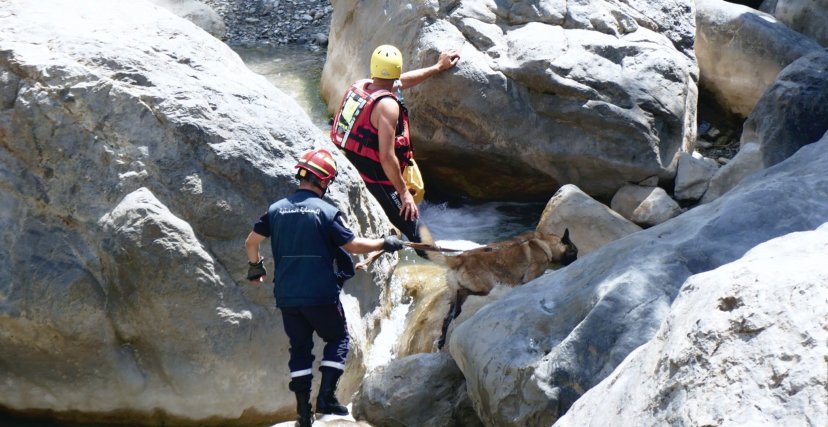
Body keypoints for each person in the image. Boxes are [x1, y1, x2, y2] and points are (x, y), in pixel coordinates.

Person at [244, 148, 405, 427]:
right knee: (338, 339)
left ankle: (303, 413)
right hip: (320, 294)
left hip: (288, 297)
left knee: (300, 349)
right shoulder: (326, 212)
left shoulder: (275, 210)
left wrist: (256, 267)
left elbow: (251, 243)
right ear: (323, 181)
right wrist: (384, 243)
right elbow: (353, 245)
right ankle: (326, 398)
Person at [330, 44, 460, 251]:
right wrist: (403, 193)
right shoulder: (388, 106)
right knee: (414, 225)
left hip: (347, 159)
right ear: (397, 70)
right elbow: (387, 157)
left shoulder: (361, 85)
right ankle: (441, 265)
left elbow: (401, 81)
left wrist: (437, 67)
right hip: (373, 173)